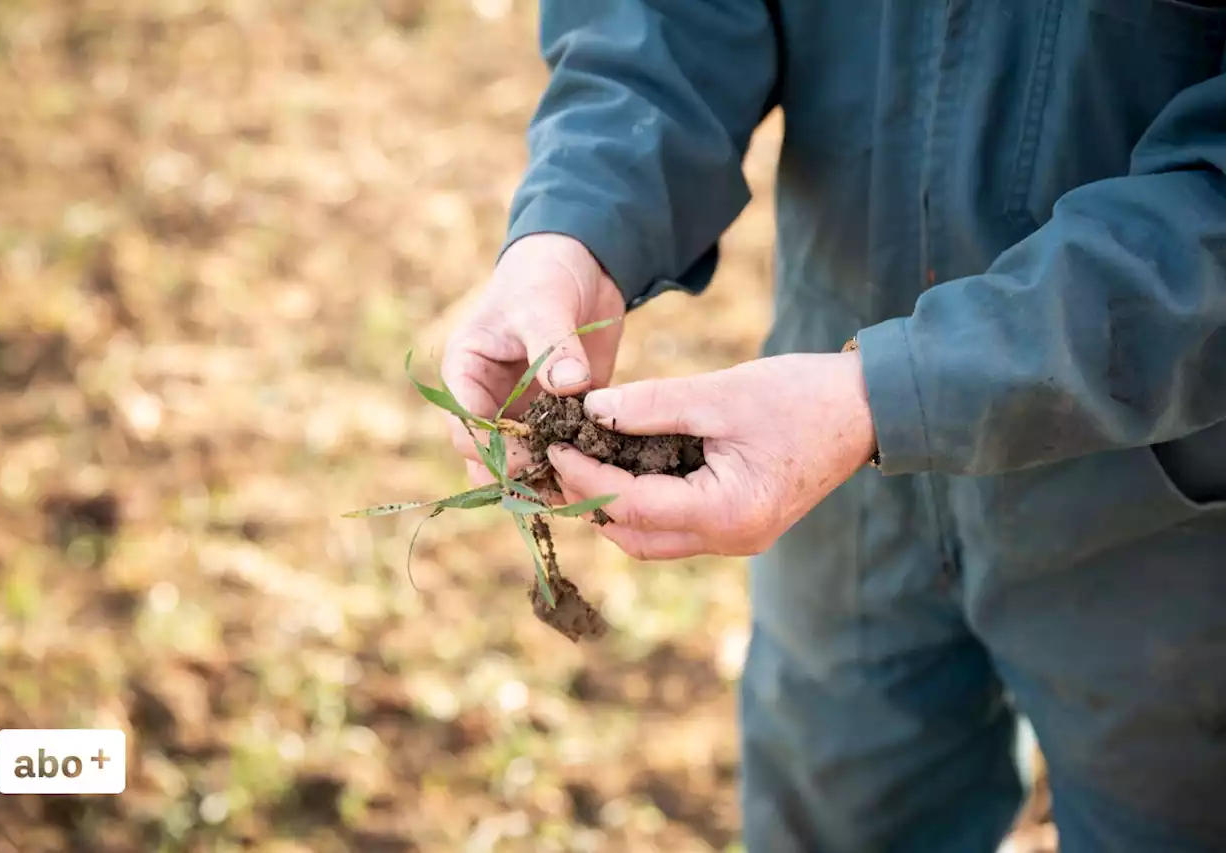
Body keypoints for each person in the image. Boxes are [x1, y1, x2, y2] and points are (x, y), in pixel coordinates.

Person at [440, 2, 1226, 851]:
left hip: (1160, 477)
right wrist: (575, 226)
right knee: (837, 808)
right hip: (832, 468)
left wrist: (890, 392)